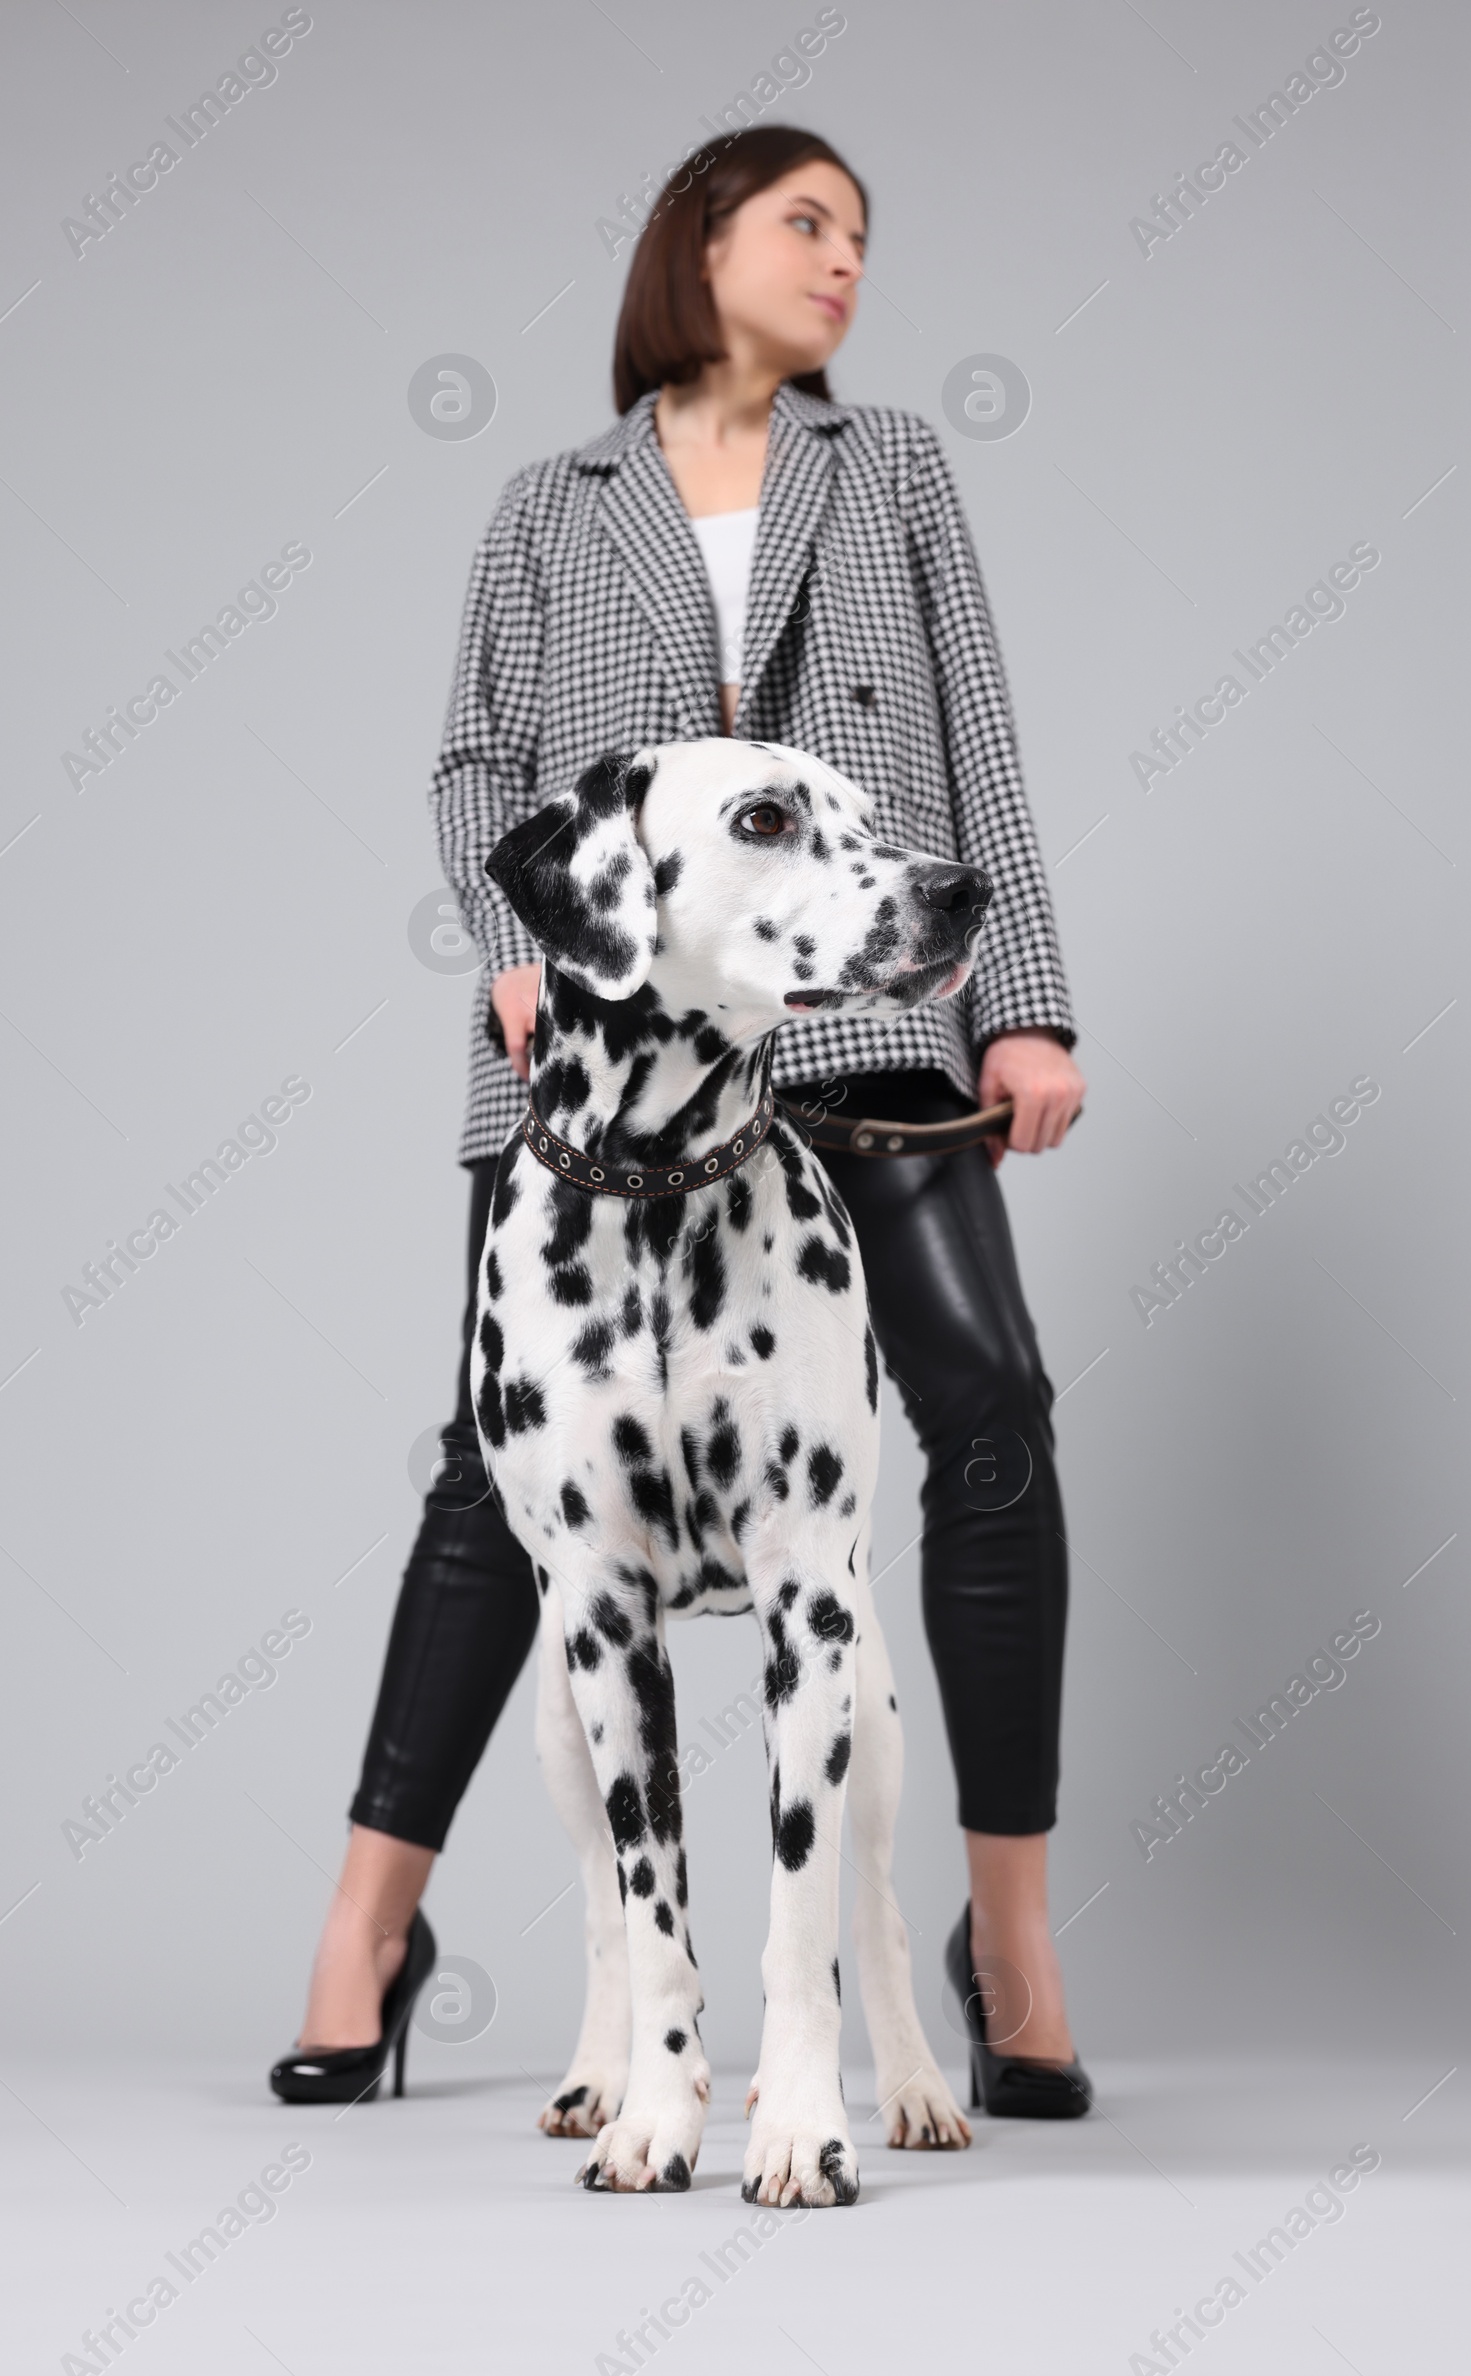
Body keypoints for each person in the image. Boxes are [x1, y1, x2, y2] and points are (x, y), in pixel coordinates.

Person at [271, 124, 1090, 2120]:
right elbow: (475, 763)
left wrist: (1026, 1006)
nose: (844, 261)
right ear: (698, 240)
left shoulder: (885, 468)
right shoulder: (547, 507)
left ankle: (1006, 1938)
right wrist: (502, 937)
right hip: (601, 1056)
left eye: (864, 237)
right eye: (805, 222)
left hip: (862, 1046)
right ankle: (368, 1933)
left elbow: (974, 727)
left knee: (981, 1416)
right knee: (498, 1474)